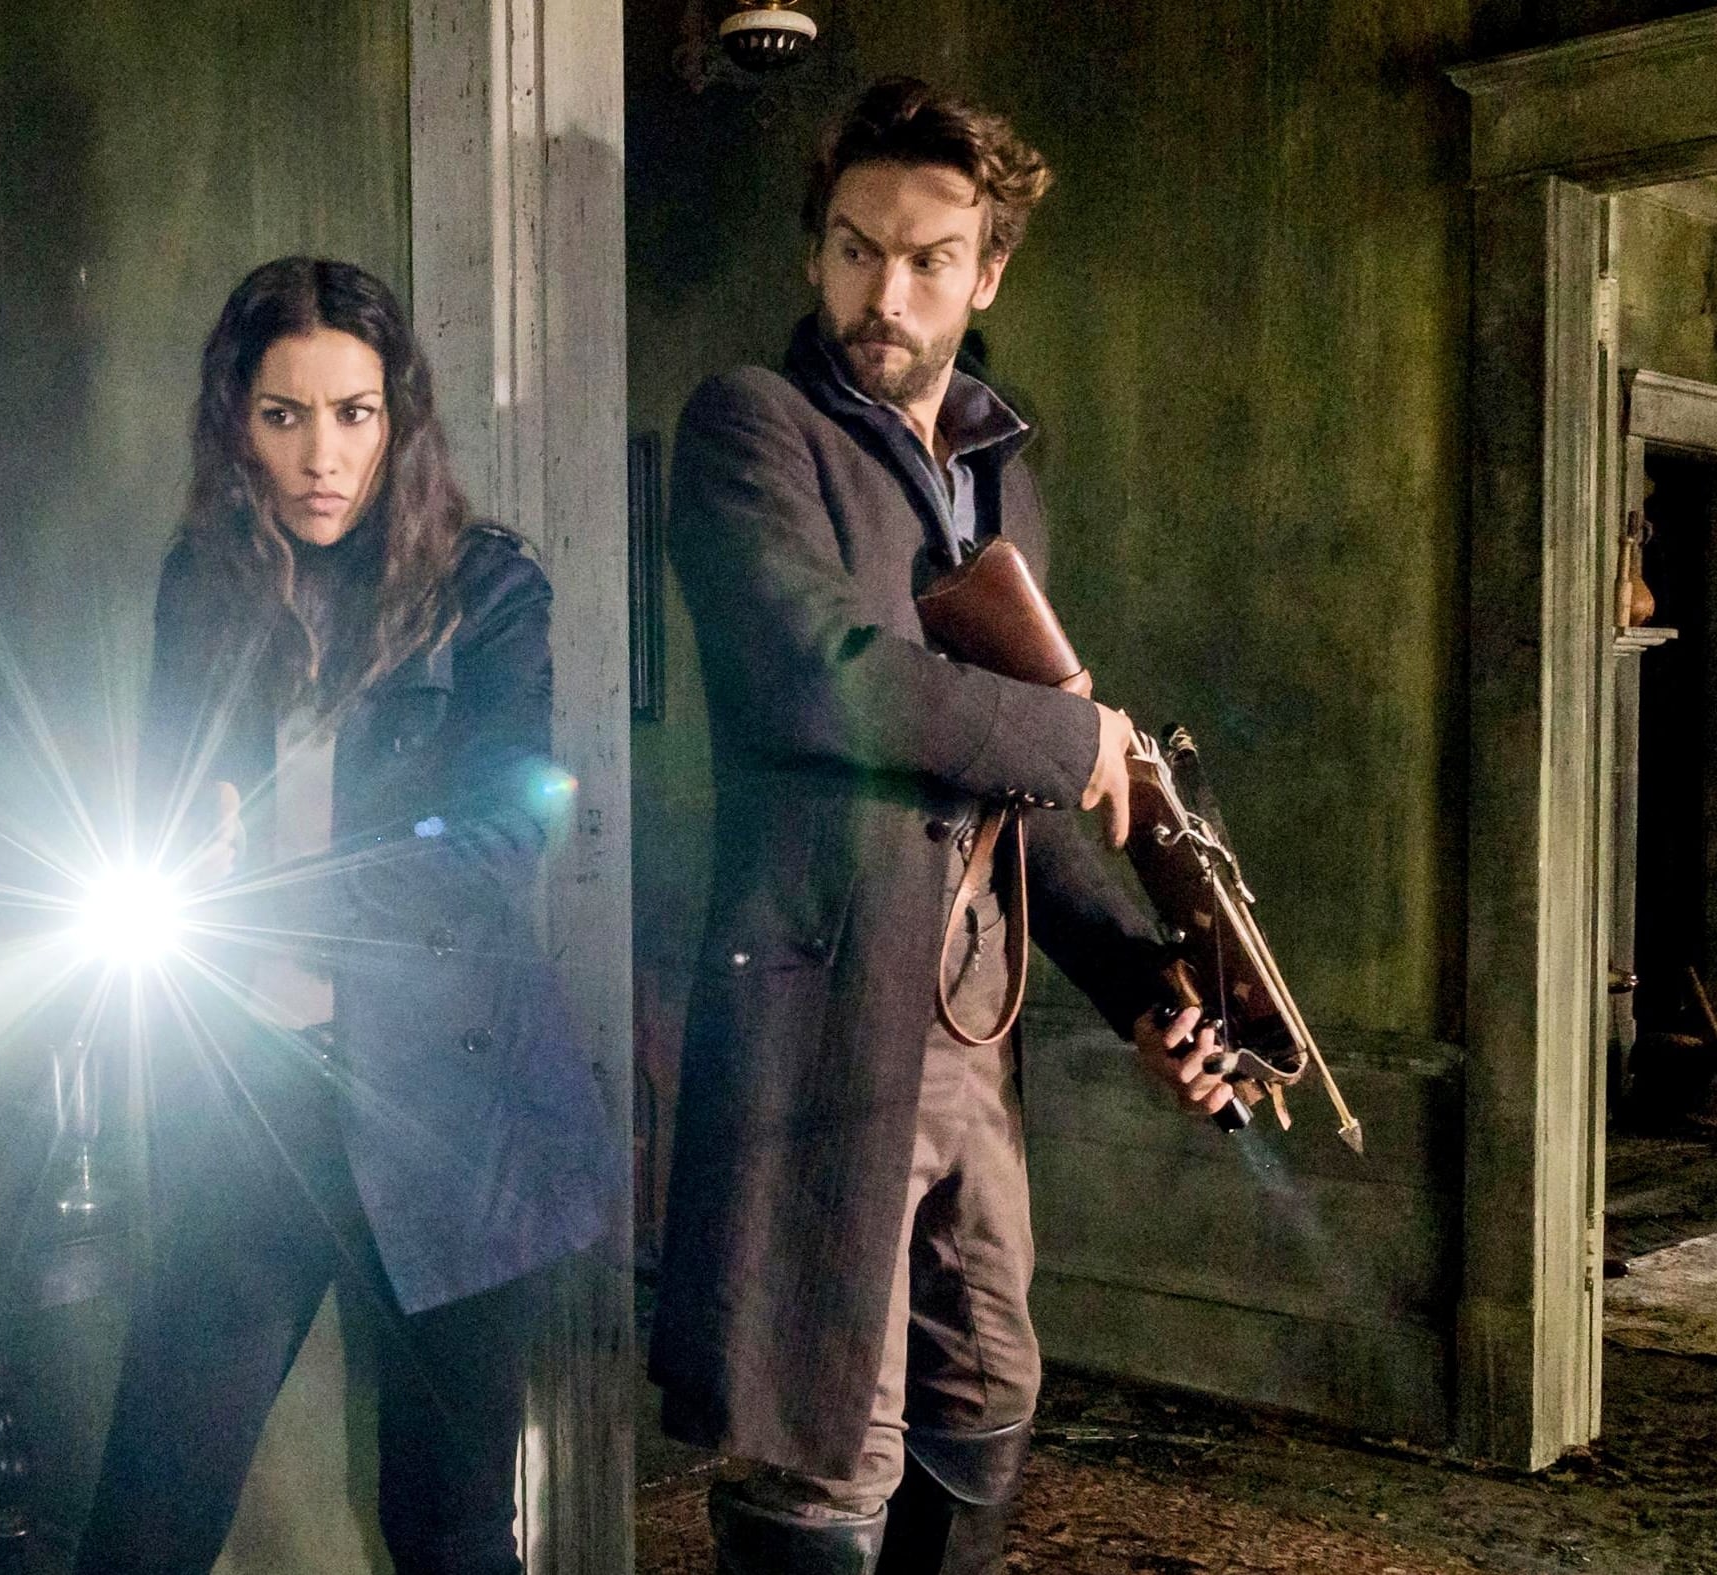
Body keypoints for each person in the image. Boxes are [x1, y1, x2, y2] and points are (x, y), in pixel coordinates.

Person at [647, 79, 1236, 1575]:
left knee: (984, 1395)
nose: (885, 293)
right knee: (821, 1447)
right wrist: (1076, 733)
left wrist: (1147, 987)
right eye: (856, 250)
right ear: (815, 252)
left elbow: (1015, 793)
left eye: (928, 259)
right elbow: (820, 677)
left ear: (988, 273)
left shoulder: (1001, 482)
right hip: (821, 1025)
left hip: (973, 1033)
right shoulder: (752, 424)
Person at [71, 256, 617, 1575]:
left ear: (398, 417)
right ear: (235, 422)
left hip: (449, 1104)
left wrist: (280, 877)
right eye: (285, 415)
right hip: (252, 1100)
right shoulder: (203, 580)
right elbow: (164, 795)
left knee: (450, 1530)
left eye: (354, 414)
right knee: (146, 1518)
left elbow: (506, 830)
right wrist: (184, 832)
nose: (322, 456)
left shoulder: (487, 587)